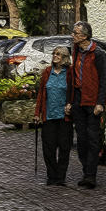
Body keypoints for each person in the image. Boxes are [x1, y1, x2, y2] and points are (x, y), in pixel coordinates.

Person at [64, 21, 106, 189]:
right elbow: (72, 79)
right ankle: (86, 170)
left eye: (75, 33)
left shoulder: (98, 53)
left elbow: (103, 80)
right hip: (78, 100)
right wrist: (69, 101)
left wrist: (100, 102)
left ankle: (91, 175)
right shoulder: (75, 50)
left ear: (84, 36)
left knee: (92, 138)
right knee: (81, 139)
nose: (72, 35)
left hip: (92, 100)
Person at [34, 46, 72, 187]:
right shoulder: (47, 72)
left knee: (64, 147)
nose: (55, 56)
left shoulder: (69, 73)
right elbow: (41, 94)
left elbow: (73, 92)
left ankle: (60, 176)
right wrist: (37, 113)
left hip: (64, 117)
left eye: (59, 54)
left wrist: (71, 105)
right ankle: (52, 175)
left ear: (65, 57)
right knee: (48, 148)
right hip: (49, 116)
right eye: (54, 54)